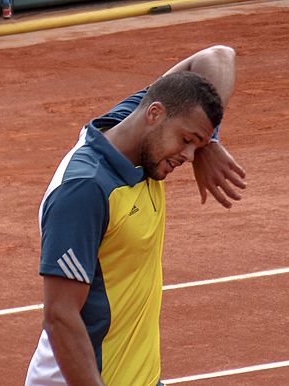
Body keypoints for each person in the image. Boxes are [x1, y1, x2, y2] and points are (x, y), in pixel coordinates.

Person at [25, 45, 246, 386]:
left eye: (194, 145)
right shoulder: (84, 190)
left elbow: (218, 57)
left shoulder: (137, 125)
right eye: (186, 140)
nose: (188, 156)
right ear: (155, 115)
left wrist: (208, 141)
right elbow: (60, 317)